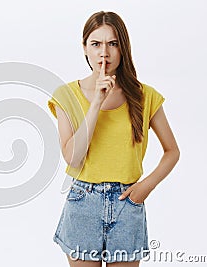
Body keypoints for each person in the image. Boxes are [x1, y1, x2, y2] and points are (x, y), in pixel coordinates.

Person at [47, 11, 180, 267]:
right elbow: (73, 158)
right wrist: (97, 101)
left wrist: (145, 187)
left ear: (123, 48)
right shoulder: (65, 95)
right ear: (85, 48)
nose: (104, 53)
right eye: (96, 44)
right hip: (83, 203)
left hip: (127, 205)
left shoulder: (146, 96)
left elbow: (172, 151)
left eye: (113, 43)